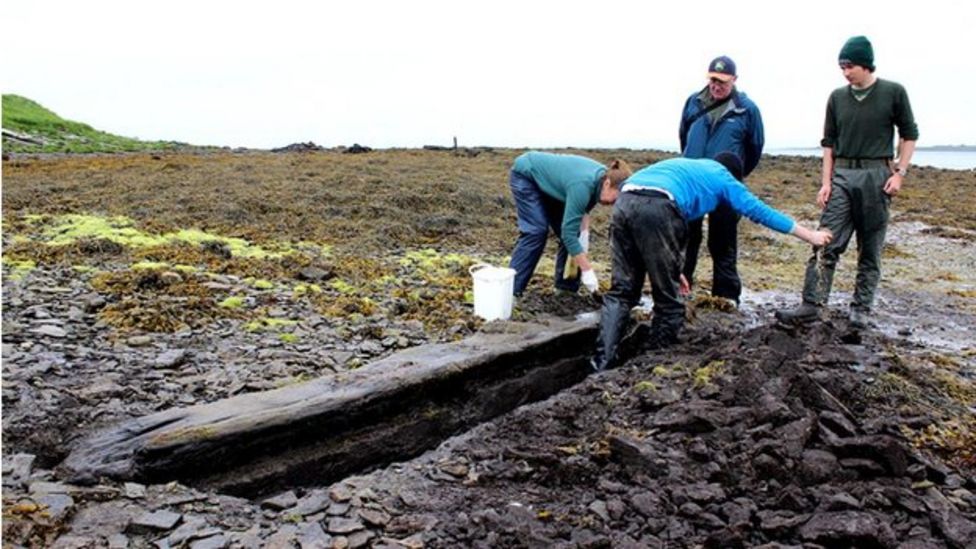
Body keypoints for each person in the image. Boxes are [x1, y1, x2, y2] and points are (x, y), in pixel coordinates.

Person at [590, 154, 832, 372]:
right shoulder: (724, 179)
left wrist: (673, 269)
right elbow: (761, 212)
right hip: (660, 205)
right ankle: (652, 363)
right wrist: (810, 235)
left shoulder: (689, 166)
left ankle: (601, 363)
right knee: (669, 301)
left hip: (625, 201)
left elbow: (652, 227)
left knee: (622, 292)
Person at [776, 35, 918, 329]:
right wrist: (825, 182)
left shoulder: (894, 92)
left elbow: (909, 134)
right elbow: (828, 144)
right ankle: (811, 303)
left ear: (865, 65)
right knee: (826, 240)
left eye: (849, 65)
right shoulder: (837, 98)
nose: (845, 72)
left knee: (870, 248)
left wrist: (899, 173)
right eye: (841, 66)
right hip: (842, 175)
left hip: (877, 176)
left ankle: (861, 309)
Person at [679, 55, 765, 305]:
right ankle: (681, 290)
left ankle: (726, 296)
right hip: (692, 184)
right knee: (687, 239)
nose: (717, 86)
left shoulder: (747, 109)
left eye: (723, 82)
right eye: (713, 80)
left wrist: (734, 175)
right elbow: (684, 138)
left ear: (734, 80)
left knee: (723, 242)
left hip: (725, 186)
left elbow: (755, 148)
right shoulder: (693, 103)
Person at [508, 151, 633, 296]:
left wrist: (584, 236)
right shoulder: (583, 185)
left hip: (554, 186)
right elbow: (568, 233)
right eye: (615, 198)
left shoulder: (600, 184)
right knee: (536, 232)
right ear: (607, 183)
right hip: (527, 174)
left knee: (576, 237)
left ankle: (566, 291)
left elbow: (581, 213)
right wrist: (587, 270)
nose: (613, 204)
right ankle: (511, 292)